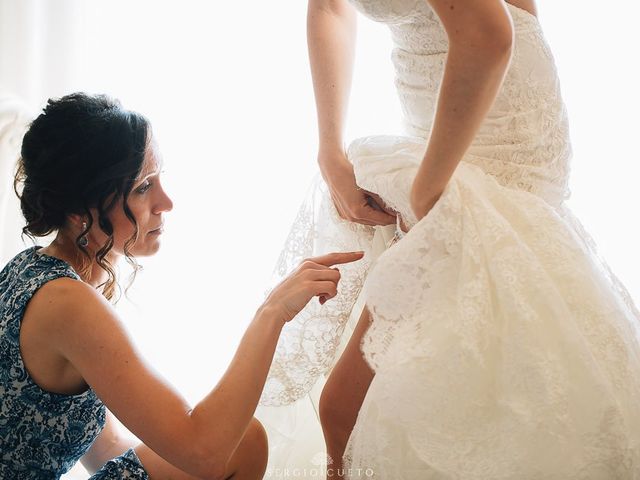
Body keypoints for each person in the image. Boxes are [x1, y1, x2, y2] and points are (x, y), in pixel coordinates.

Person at [258, 0, 640, 478]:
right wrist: (329, 148)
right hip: (433, 113)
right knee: (353, 412)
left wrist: (427, 187)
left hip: (496, 119)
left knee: (350, 409)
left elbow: (488, 35)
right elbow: (332, 6)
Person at [0, 92, 365, 479]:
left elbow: (105, 449)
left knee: (237, 441)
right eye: (143, 187)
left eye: (159, 180)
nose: (166, 202)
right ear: (78, 211)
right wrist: (272, 312)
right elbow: (204, 453)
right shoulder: (66, 302)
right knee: (238, 444)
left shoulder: (36, 271)